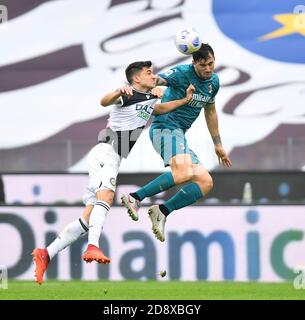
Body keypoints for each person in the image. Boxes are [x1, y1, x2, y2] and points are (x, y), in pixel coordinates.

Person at [31, 60, 195, 285]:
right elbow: (104, 101)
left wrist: (185, 100)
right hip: (106, 151)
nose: (153, 75)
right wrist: (118, 90)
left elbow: (159, 109)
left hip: (113, 157)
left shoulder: (149, 98)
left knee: (88, 217)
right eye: (148, 73)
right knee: (107, 196)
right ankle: (93, 246)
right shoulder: (127, 94)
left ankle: (46, 253)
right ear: (136, 79)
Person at [121, 44, 232, 242]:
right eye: (203, 65)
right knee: (183, 173)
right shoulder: (181, 73)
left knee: (205, 182)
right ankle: (135, 197)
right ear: (194, 63)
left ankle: (162, 211)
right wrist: (149, 87)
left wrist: (217, 143)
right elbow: (158, 79)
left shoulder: (213, 82)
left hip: (179, 134)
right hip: (165, 127)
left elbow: (210, 110)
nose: (208, 69)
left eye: (211, 64)